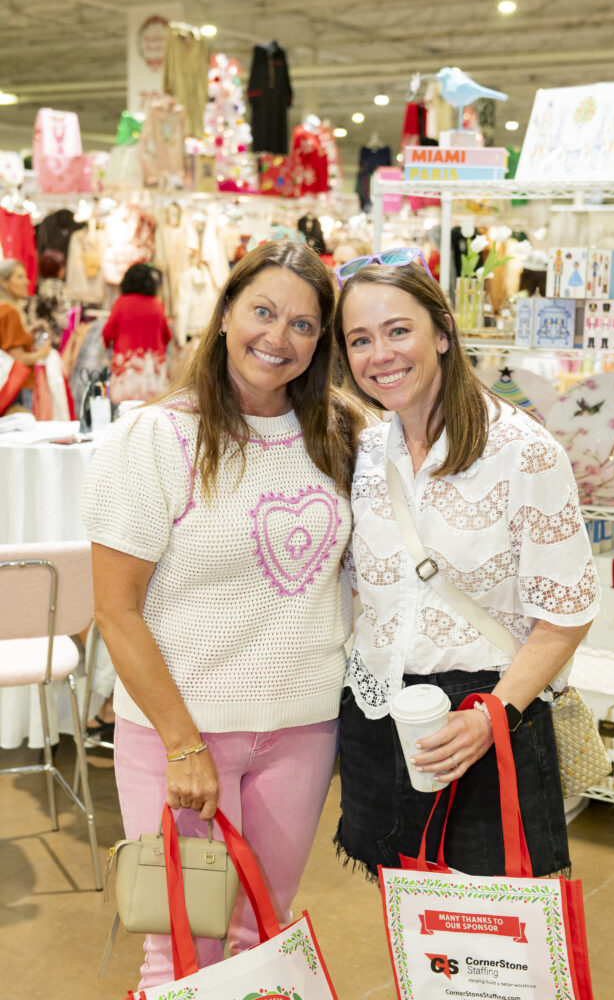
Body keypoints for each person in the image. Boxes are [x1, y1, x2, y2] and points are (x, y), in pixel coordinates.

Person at [81, 241, 362, 990]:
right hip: (182, 730)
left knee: (259, 935)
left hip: (302, 725)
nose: (278, 338)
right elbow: (115, 609)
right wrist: (181, 744)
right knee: (180, 947)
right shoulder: (155, 438)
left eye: (303, 325)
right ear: (226, 313)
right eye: (262, 312)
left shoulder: (339, 434)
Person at [333, 257, 600, 879]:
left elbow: (566, 614)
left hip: (486, 716)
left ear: (443, 333)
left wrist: (491, 716)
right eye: (360, 340)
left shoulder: (522, 452)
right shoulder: (365, 450)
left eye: (399, 331)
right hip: (378, 716)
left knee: (495, 950)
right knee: (409, 930)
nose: (381, 355)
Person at [100, 262, 172, 404]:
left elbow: (107, 333)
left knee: (123, 412)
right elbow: (167, 336)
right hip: (153, 374)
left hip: (127, 371)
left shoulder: (121, 303)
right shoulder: (157, 305)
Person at [0, 258, 50, 410]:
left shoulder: (4, 309)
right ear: (4, 282)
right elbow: (18, 358)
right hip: (17, 387)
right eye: (19, 277)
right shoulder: (10, 312)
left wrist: (27, 333)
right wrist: (42, 353)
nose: (27, 282)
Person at [27, 250, 71, 349]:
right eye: (62, 266)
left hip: (37, 333)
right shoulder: (61, 289)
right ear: (56, 269)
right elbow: (64, 316)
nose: (64, 270)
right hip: (54, 337)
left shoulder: (38, 286)